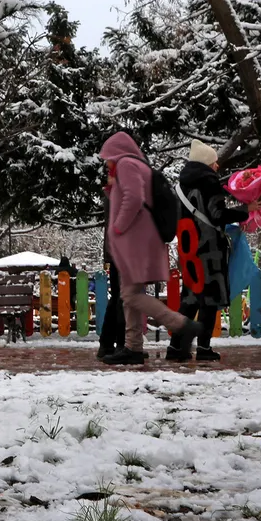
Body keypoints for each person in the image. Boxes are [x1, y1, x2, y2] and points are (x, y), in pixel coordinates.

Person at [98, 132, 202, 365]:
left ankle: (182, 325)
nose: (107, 162)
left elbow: (133, 198)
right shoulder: (134, 166)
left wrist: (117, 228)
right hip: (136, 242)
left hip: (136, 242)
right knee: (130, 295)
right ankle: (133, 347)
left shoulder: (126, 164)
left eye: (108, 157)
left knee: (129, 294)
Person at [167, 139, 259, 361]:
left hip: (188, 250)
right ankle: (204, 348)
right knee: (208, 299)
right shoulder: (209, 182)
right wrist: (245, 210)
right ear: (207, 164)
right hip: (209, 251)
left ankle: (176, 347)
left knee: (189, 299)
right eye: (215, 162)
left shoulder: (181, 186)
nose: (217, 166)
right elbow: (217, 215)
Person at [97, 192, 131, 360]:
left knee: (118, 296)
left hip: (115, 250)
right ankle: (121, 344)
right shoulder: (122, 190)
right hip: (123, 251)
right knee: (122, 298)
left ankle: (107, 344)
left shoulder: (113, 191)